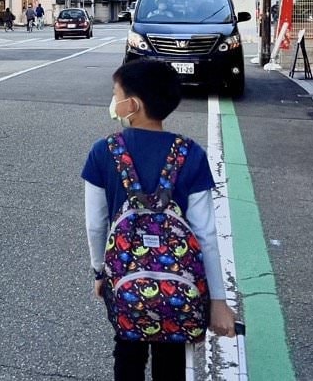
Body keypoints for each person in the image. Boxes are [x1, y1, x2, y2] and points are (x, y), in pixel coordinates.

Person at [82, 60, 236, 380]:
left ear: (133, 105)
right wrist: (218, 301)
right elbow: (206, 234)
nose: (114, 101)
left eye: (116, 94)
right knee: (171, 362)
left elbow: (96, 224)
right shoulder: (190, 153)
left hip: (125, 283)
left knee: (127, 356)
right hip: (179, 290)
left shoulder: (103, 152)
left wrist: (100, 272)